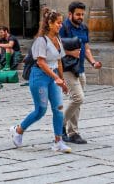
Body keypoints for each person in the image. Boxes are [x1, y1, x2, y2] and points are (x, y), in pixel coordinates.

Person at [10, 8, 72, 154]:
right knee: (41, 110)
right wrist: (56, 77)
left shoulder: (58, 39)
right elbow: (41, 63)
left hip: (53, 76)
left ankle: (58, 141)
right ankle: (18, 130)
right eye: (58, 23)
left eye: (61, 23)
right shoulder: (41, 40)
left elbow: (59, 62)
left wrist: (61, 81)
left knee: (58, 108)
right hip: (39, 77)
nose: (60, 26)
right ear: (49, 23)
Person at [59, 1, 102, 145]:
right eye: (78, 14)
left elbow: (87, 48)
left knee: (77, 102)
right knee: (78, 98)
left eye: (82, 14)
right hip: (67, 68)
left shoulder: (84, 28)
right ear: (70, 14)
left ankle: (73, 133)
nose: (80, 17)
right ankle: (59, 125)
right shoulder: (63, 27)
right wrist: (71, 52)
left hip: (80, 68)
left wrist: (93, 62)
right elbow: (55, 47)